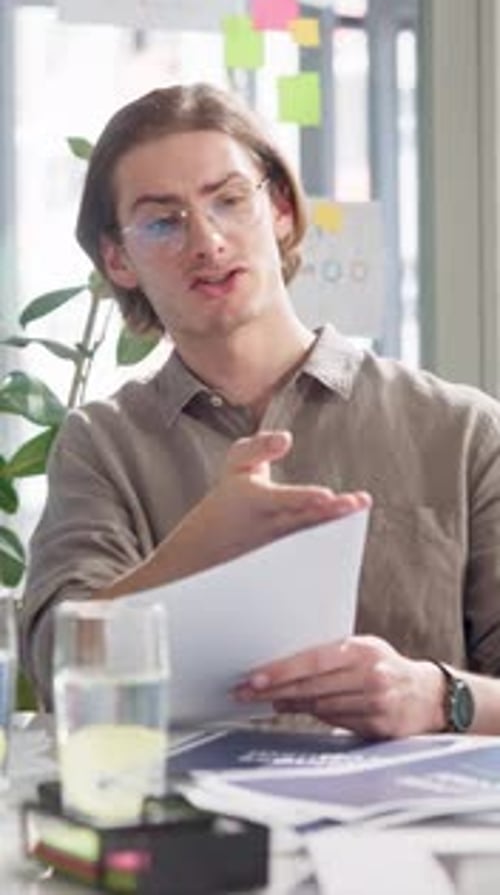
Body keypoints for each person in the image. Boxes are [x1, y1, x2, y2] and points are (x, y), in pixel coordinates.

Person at [20, 82, 500, 739]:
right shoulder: (99, 444)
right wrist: (197, 548)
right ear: (117, 258)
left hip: (421, 836)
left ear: (276, 207)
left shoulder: (463, 429)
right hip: (192, 834)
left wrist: (440, 696)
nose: (208, 241)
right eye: (164, 220)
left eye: (229, 199)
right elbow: (58, 668)